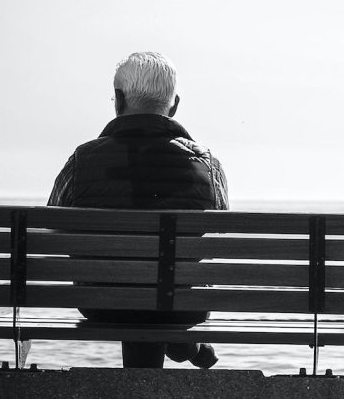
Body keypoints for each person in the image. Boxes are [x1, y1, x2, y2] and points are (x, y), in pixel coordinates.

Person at [48, 51, 228, 368]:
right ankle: (182, 342)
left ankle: (180, 346)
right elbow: (221, 231)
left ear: (118, 99)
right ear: (174, 105)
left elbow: (52, 229)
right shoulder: (206, 164)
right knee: (165, 291)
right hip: (182, 304)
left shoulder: (82, 160)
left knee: (136, 291)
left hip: (102, 303)